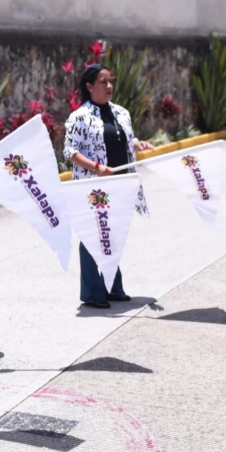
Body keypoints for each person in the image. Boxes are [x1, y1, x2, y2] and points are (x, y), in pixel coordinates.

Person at [63, 64, 155, 308]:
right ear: (89, 86)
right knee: (92, 234)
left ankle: (113, 287)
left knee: (114, 233)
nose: (109, 86)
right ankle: (93, 292)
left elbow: (119, 137)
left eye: (110, 81)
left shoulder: (121, 112)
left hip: (120, 183)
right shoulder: (78, 117)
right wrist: (95, 167)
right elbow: (69, 151)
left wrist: (136, 143)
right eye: (103, 82)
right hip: (93, 187)